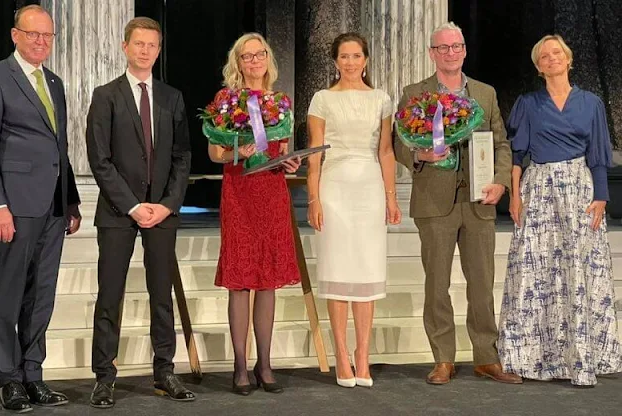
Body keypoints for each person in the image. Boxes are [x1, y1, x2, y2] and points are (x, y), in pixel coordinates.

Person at [394, 22, 521, 385]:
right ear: (432, 53)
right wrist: (421, 155)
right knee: (437, 284)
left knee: (482, 282)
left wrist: (499, 182)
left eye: (456, 46)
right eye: (443, 48)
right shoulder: (414, 92)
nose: (451, 53)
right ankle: (443, 359)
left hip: (480, 200)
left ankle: (486, 357)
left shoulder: (485, 93)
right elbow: (400, 143)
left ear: (464, 50)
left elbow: (500, 142)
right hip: (434, 201)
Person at [498, 34, 622, 386]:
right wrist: (516, 196)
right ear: (538, 67)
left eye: (557, 53)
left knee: (580, 267)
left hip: (580, 190)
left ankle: (582, 354)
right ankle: (531, 354)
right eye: (544, 56)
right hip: (538, 189)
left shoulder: (591, 103)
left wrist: (601, 197)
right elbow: (517, 154)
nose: (551, 59)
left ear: (568, 60)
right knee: (535, 271)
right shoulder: (528, 103)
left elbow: (599, 154)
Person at [85, 17, 193, 407]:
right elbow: (100, 160)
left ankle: (165, 371)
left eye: (153, 45)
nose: (146, 50)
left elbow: (182, 157)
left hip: (162, 213)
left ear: (158, 50)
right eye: (139, 44)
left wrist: (166, 204)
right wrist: (132, 206)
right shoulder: (105, 95)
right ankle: (104, 376)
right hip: (118, 212)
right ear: (125, 46)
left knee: (160, 295)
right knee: (110, 294)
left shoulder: (172, 97)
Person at [0, 5, 81, 412]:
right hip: (14, 207)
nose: (41, 41)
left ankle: (33, 374)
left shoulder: (54, 81)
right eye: (33, 34)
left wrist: (70, 200)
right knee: (9, 295)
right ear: (15, 35)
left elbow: (61, 146)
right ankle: (9, 381)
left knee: (41, 296)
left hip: (53, 209)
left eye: (48, 36)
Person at [208, 33, 301, 395]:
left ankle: (265, 364)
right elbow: (215, 154)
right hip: (240, 192)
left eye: (259, 54)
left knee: (267, 280)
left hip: (272, 193)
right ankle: (240, 366)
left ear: (267, 58)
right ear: (238, 62)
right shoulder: (226, 100)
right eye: (246, 56)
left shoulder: (280, 101)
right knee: (240, 279)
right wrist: (239, 153)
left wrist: (290, 162)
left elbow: (282, 150)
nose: (254, 61)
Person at [306, 32, 401, 388]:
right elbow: (315, 153)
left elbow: (386, 151)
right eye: (343, 56)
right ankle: (341, 356)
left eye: (356, 55)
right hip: (334, 189)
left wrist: (391, 198)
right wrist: (313, 199)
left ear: (365, 60)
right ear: (335, 61)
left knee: (365, 272)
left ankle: (363, 356)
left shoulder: (381, 99)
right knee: (337, 271)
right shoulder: (322, 99)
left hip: (370, 189)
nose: (350, 62)